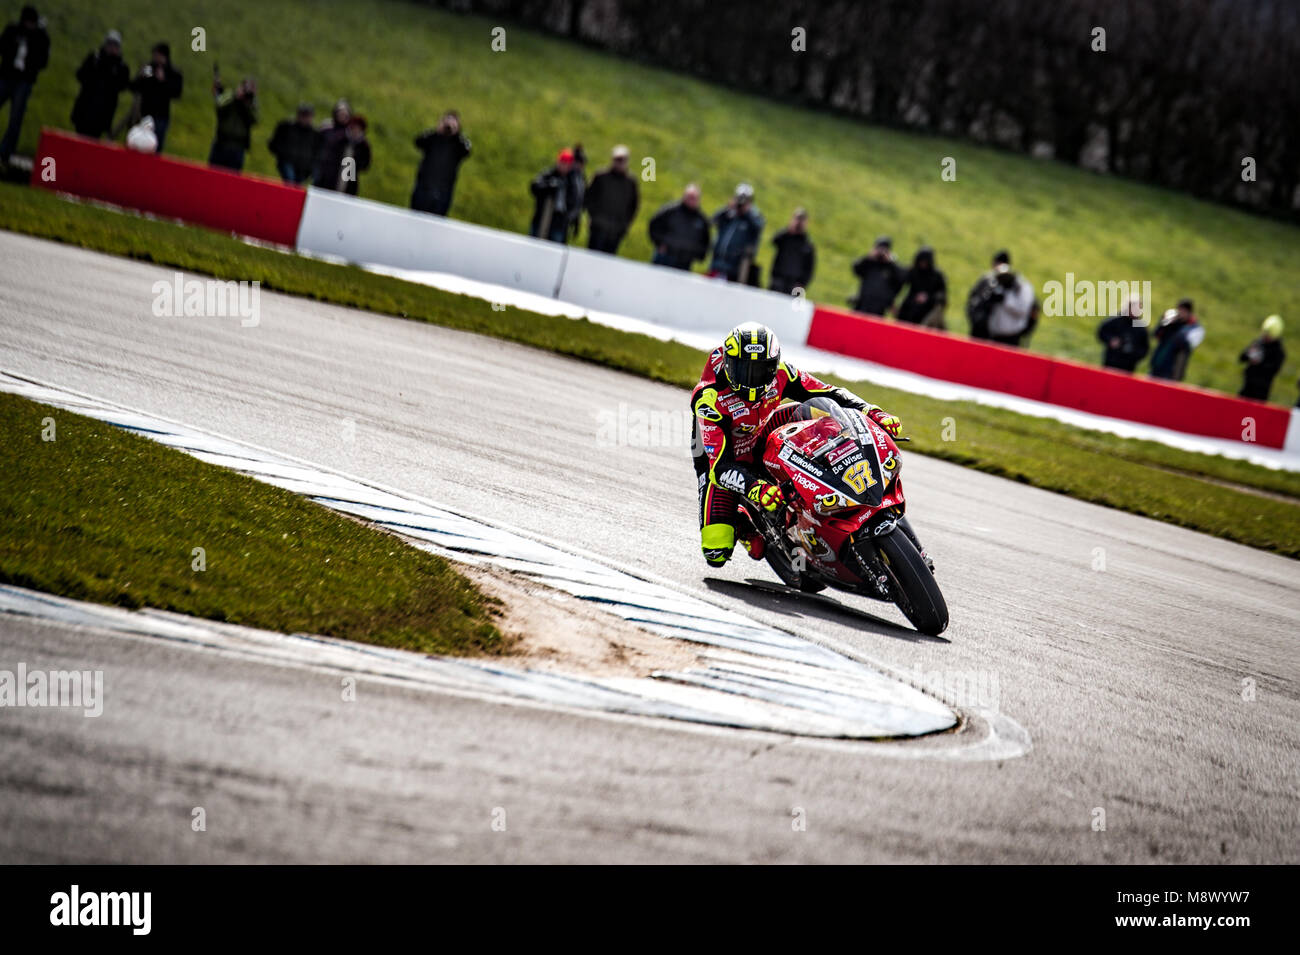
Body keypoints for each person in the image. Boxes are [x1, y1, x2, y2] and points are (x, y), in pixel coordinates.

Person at [691, 321, 907, 568]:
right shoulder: (709, 399)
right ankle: (743, 524)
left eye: (760, 370)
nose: (752, 380)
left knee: (826, 418)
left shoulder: (783, 373)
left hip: (765, 427)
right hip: (724, 458)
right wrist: (755, 489)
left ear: (773, 366)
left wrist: (873, 412)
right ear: (729, 365)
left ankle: (831, 485)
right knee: (715, 552)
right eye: (743, 370)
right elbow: (720, 468)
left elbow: (829, 393)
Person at [0, 5, 49, 164]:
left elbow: (42, 60)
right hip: (7, 76)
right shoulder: (13, 31)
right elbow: (3, 46)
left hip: (24, 81)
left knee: (16, 118)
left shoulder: (40, 37)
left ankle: (5, 151)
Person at [410, 110, 471, 216]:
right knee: (415, 216)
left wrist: (456, 133)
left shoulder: (457, 143)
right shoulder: (433, 138)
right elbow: (418, 141)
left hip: (443, 191)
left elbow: (467, 150)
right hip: (423, 187)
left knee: (437, 222)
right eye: (446, 121)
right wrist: (437, 131)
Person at [71, 29, 129, 139]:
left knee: (94, 138)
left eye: (115, 45)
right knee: (79, 135)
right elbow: (80, 74)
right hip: (86, 105)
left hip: (103, 111)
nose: (112, 48)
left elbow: (123, 85)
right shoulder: (95, 58)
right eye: (110, 44)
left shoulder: (121, 66)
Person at [126, 42, 182, 153]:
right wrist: (140, 76)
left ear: (164, 56)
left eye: (157, 55)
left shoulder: (172, 73)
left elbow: (176, 93)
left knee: (155, 147)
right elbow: (135, 87)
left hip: (161, 116)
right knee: (136, 145)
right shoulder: (149, 69)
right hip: (144, 113)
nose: (155, 58)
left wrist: (163, 81)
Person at [583, 144, 639, 253]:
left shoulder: (631, 182)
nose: (620, 163)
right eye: (617, 159)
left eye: (623, 160)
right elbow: (589, 196)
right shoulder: (600, 176)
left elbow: (634, 205)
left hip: (616, 231)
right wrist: (594, 216)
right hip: (598, 228)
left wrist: (624, 225)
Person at [710, 183, 765, 284]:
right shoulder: (729, 214)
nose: (741, 202)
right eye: (739, 198)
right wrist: (728, 207)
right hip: (717, 264)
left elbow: (759, 227)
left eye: (745, 199)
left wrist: (747, 212)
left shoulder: (753, 217)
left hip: (736, 270)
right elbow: (713, 220)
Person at [648, 183, 710, 270]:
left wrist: (697, 255)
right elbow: (654, 225)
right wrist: (659, 243)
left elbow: (705, 241)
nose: (691, 200)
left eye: (694, 198)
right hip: (665, 257)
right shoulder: (671, 211)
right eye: (689, 197)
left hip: (684, 262)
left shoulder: (701, 220)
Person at [529, 148, 582, 243]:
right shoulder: (549, 174)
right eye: (562, 162)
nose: (563, 165)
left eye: (566, 164)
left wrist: (572, 218)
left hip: (560, 223)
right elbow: (534, 187)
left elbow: (576, 201)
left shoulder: (573, 181)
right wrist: (549, 185)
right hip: (542, 218)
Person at [207, 75, 257, 172]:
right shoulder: (229, 96)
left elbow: (254, 120)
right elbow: (219, 105)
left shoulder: (251, 104)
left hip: (238, 147)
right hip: (221, 143)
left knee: (232, 179)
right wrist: (235, 97)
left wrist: (246, 104)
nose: (246, 91)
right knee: (213, 174)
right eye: (245, 88)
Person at [313, 114, 370, 194]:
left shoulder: (363, 146)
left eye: (358, 129)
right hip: (330, 179)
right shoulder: (339, 138)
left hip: (349, 182)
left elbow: (365, 165)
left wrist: (353, 164)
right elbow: (328, 157)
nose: (356, 131)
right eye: (354, 128)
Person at [1149, 298, 1204, 381]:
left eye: (1183, 311)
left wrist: (1176, 326)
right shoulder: (1172, 322)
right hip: (1157, 366)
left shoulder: (1194, 328)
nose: (1180, 313)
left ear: (1189, 312)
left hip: (1172, 372)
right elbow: (1156, 334)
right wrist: (1164, 322)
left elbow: (1186, 345)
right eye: (1179, 310)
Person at [850, 236, 903, 315]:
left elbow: (900, 279)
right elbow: (856, 269)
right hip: (862, 304)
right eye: (879, 249)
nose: (881, 253)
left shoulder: (890, 267)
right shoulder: (869, 263)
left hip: (879, 309)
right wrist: (868, 257)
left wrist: (890, 262)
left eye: (884, 250)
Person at [268, 103, 320, 184]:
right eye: (303, 115)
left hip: (304, 167)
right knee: (290, 182)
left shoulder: (315, 134)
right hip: (287, 162)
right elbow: (275, 142)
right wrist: (282, 154)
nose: (305, 118)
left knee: (296, 187)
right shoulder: (287, 127)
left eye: (308, 116)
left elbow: (317, 151)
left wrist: (311, 167)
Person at [896, 246, 946, 327]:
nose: (923, 264)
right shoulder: (913, 271)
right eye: (921, 261)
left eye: (925, 262)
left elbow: (942, 295)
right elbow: (900, 283)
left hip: (927, 312)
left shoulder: (937, 275)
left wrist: (928, 297)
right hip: (909, 309)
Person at [1096, 295, 1149, 372]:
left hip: (1128, 366)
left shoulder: (1141, 327)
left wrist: (1134, 354)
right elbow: (1101, 331)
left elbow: (1144, 348)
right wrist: (1110, 340)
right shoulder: (1115, 320)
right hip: (1111, 362)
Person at [768, 208, 815, 294]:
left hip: (794, 286)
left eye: (802, 220)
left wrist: (802, 284)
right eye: (797, 219)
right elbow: (774, 240)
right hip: (778, 281)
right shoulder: (785, 237)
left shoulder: (808, 244)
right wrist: (788, 229)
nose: (799, 223)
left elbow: (810, 268)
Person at [1239, 314, 1285, 401]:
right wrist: (1248, 354)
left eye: (1269, 335)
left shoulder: (1278, 352)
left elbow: (1274, 369)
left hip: (1261, 390)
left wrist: (1260, 362)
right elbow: (1242, 358)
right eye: (1265, 333)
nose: (1265, 336)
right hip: (1247, 385)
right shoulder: (1258, 343)